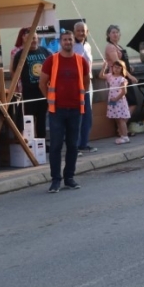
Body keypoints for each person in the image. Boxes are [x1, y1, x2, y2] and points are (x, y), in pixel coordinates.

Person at [38, 30, 90, 193]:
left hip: (76, 109)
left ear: (74, 42)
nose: (68, 42)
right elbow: (42, 83)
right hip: (57, 110)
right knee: (56, 145)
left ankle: (69, 178)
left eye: (70, 39)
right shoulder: (51, 60)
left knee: (73, 145)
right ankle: (55, 180)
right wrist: (49, 98)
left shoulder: (81, 61)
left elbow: (86, 82)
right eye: (65, 39)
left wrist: (79, 97)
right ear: (60, 42)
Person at [11, 29, 50, 142]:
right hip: (28, 93)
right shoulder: (20, 55)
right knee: (29, 120)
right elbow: (15, 73)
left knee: (42, 119)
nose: (33, 40)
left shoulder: (45, 51)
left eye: (34, 38)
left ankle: (42, 143)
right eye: (30, 38)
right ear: (24, 39)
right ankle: (30, 144)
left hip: (43, 91)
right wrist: (16, 90)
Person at [72, 21, 97, 153]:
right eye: (79, 30)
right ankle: (74, 145)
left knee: (88, 114)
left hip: (88, 82)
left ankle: (84, 143)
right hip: (75, 83)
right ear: (74, 32)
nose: (81, 33)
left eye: (84, 31)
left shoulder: (87, 45)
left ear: (87, 32)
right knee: (77, 114)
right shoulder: (71, 46)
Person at [104, 25, 139, 108]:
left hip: (124, 75)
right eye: (113, 32)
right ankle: (123, 117)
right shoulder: (110, 47)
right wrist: (130, 76)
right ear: (108, 35)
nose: (115, 34)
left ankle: (124, 117)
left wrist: (129, 66)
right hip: (117, 77)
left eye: (117, 32)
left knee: (129, 102)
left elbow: (122, 61)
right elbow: (117, 64)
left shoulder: (119, 46)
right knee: (129, 102)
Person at [102, 59, 131, 144]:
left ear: (122, 69)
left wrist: (116, 98)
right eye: (115, 67)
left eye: (118, 68)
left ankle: (125, 136)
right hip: (112, 100)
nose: (116, 69)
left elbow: (124, 91)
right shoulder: (110, 76)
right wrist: (104, 67)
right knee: (117, 119)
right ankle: (122, 135)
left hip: (119, 101)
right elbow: (101, 76)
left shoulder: (122, 79)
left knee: (121, 119)